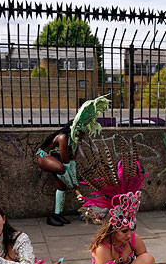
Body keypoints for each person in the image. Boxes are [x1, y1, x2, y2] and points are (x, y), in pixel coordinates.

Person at [34, 96, 110, 227]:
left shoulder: (75, 142)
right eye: (81, 132)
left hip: (57, 162)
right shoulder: (63, 138)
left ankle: (56, 215)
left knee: (61, 187)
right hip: (43, 156)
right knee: (60, 169)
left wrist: (73, 181)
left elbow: (72, 162)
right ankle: (57, 213)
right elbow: (65, 164)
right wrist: (73, 184)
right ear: (75, 130)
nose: (83, 136)